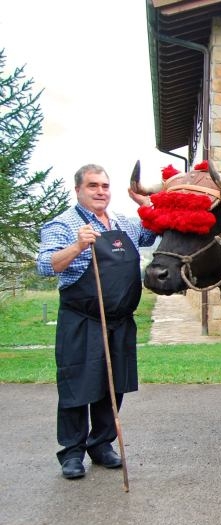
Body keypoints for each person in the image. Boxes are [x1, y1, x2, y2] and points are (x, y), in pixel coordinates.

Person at [37, 164, 155, 480]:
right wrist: (77, 245)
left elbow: (152, 231)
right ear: (78, 190)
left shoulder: (123, 224)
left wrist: (147, 206)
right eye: (93, 186)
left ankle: (101, 445)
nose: (100, 191)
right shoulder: (63, 224)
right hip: (82, 320)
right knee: (78, 386)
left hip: (119, 321)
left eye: (104, 186)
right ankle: (72, 453)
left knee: (112, 386)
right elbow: (46, 266)